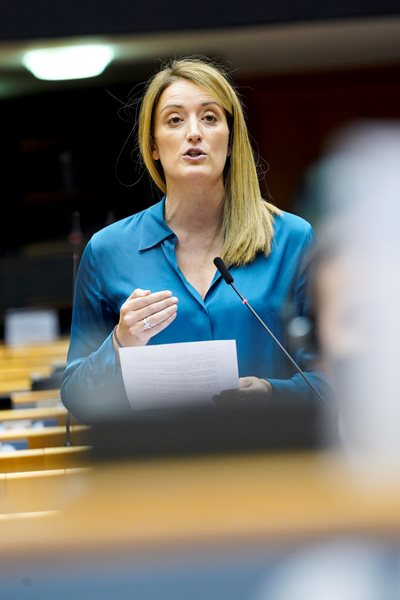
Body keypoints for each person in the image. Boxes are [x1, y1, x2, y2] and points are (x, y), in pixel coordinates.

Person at [61, 57, 328, 422]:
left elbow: (337, 380)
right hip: (162, 466)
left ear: (231, 140)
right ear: (153, 145)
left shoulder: (292, 239)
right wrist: (121, 343)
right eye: (174, 120)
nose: (194, 133)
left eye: (210, 117)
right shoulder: (108, 251)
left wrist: (272, 393)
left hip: (270, 461)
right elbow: (78, 399)